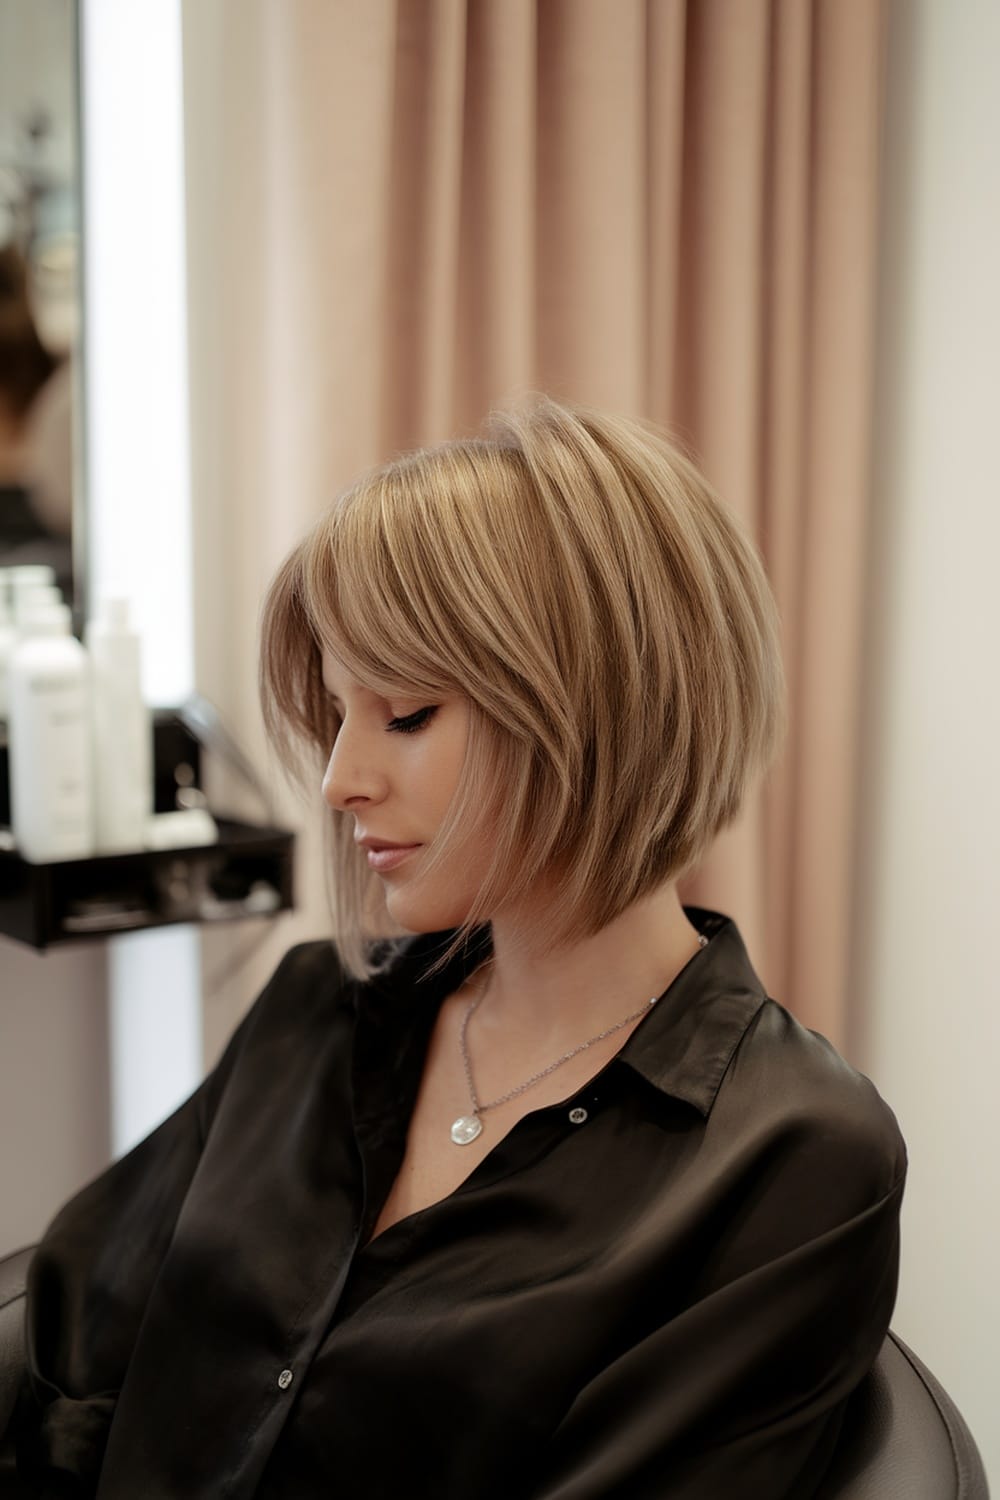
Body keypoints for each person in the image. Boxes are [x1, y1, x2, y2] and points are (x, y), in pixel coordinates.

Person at [11, 396, 906, 1498]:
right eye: (337, 715)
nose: (339, 780)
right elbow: (69, 1355)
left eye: (406, 714)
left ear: (595, 705)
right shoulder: (319, 1011)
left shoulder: (792, 1157)